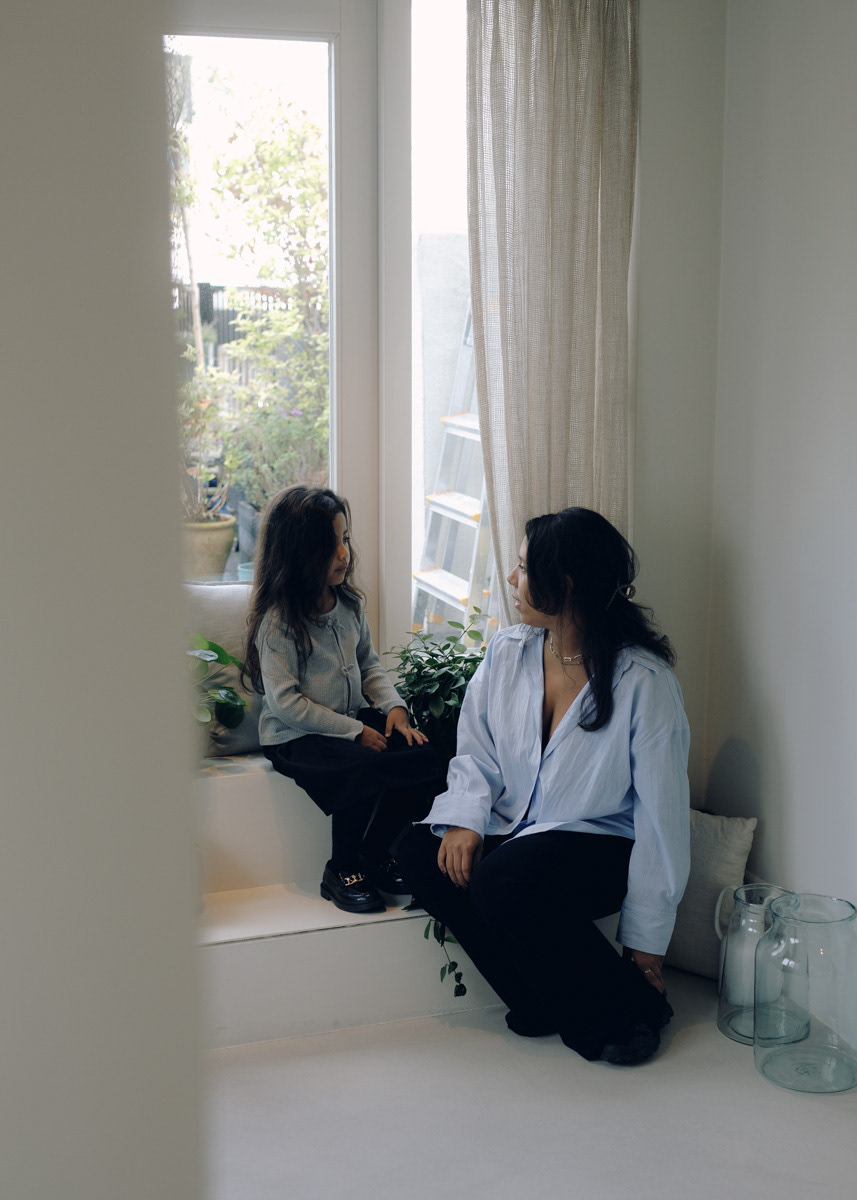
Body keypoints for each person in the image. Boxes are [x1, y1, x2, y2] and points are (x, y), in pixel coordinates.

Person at [398, 507, 690, 1065]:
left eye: (524, 567)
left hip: (600, 845)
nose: (512, 578)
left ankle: (630, 1012)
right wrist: (465, 820)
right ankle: (538, 999)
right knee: (418, 851)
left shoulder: (644, 682)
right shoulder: (508, 651)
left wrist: (646, 947)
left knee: (505, 876)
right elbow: (476, 752)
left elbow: (663, 820)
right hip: (521, 830)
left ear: (567, 582)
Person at [243, 485, 446, 915]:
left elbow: (369, 664)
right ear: (298, 553)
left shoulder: (348, 605)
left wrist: (395, 709)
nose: (343, 553)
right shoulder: (279, 623)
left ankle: (374, 852)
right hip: (295, 736)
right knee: (359, 767)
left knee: (427, 758)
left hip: (348, 721)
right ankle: (342, 868)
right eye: (330, 544)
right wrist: (355, 732)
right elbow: (285, 704)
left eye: (345, 539)